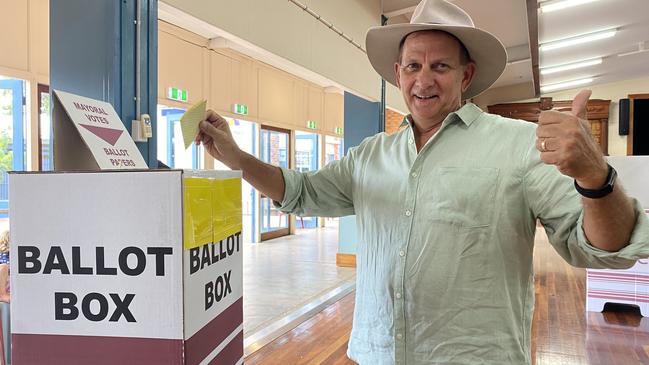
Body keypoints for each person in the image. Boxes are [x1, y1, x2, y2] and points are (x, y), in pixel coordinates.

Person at [196, 0, 649, 363]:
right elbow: (301, 191)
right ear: (397, 74)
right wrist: (236, 157)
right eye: (412, 66)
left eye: (441, 67)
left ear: (466, 75)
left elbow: (603, 248)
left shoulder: (520, 145)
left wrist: (596, 177)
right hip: (378, 352)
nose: (423, 80)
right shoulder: (372, 155)